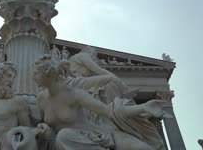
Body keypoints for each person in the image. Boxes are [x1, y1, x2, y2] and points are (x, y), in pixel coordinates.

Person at [34, 56, 170, 150]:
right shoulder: (41, 99)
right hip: (67, 140)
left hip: (97, 135)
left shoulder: (74, 93)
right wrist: (42, 126)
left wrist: (142, 107)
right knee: (63, 136)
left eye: (36, 73)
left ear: (48, 74)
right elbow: (41, 122)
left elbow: (108, 111)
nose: (33, 76)